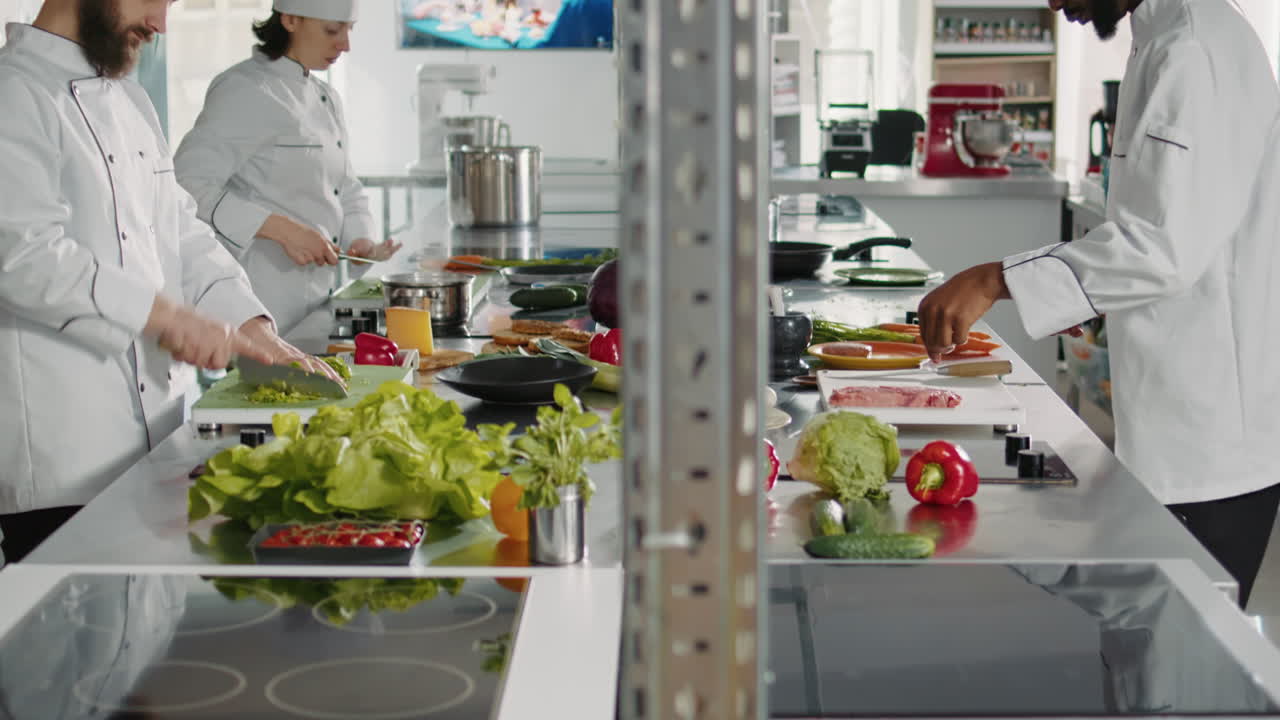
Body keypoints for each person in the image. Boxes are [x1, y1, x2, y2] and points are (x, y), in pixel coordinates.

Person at [916, 0, 1280, 607]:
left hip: (1210, 438)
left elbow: (1159, 248)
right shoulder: (1164, 37)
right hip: (1181, 413)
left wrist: (991, 280)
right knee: (1152, 660)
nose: (1056, 4)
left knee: (1178, 669)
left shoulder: (1192, 47)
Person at [0, 0, 337, 562]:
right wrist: (165, 316)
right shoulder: (14, 93)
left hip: (161, 437)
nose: (159, 23)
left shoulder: (129, 100)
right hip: (63, 461)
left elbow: (181, 230)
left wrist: (250, 326)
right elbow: (21, 254)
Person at [174, 0, 400, 335]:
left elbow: (345, 186)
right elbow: (186, 184)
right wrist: (281, 229)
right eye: (332, 30)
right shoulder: (245, 89)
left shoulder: (326, 97)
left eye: (348, 31)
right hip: (261, 300)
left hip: (317, 303)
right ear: (291, 19)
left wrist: (360, 242)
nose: (345, 44)